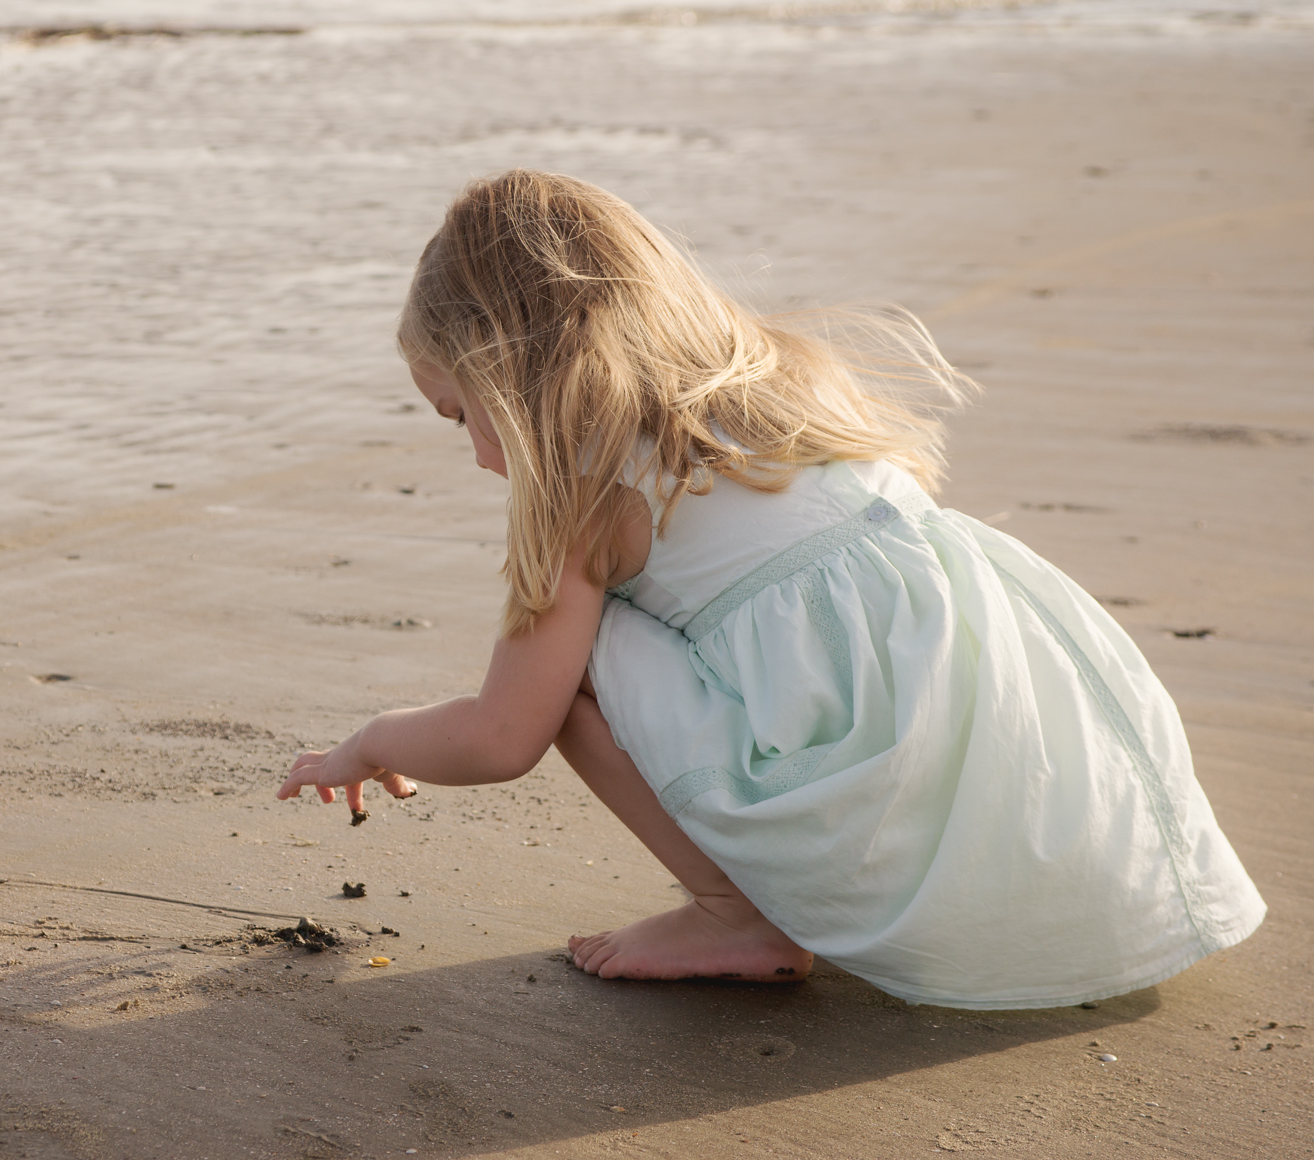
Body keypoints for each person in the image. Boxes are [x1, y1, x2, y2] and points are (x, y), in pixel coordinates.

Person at [276, 170, 1264, 1010]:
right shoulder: (780, 385)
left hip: (883, 783)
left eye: (462, 417)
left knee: (575, 663)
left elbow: (504, 734)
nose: (482, 460)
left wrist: (370, 741)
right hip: (1039, 766)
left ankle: (737, 915)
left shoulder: (589, 498)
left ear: (515, 376)